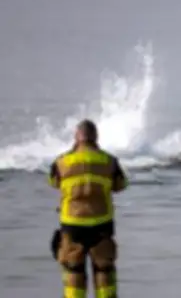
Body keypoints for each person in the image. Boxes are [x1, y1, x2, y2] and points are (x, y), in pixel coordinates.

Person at [49, 119, 128, 298]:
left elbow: (53, 182)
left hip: (72, 226)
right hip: (102, 225)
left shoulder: (62, 161)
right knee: (104, 273)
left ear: (76, 137)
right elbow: (121, 185)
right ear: (96, 137)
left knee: (73, 273)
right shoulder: (109, 161)